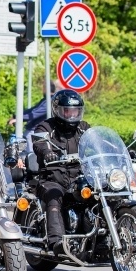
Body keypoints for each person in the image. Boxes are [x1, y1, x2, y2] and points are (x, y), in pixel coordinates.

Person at [31, 89, 91, 256]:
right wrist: (46, 152)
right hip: (52, 177)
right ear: (57, 110)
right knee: (54, 195)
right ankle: (57, 241)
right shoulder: (46, 126)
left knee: (99, 194)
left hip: (79, 177)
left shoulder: (83, 128)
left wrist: (115, 151)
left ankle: (101, 237)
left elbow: (96, 141)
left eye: (76, 111)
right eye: (68, 111)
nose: (72, 115)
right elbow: (40, 142)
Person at [8, 79, 56, 153]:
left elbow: (34, 114)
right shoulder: (45, 100)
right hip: (33, 130)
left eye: (42, 87)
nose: (41, 89)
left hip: (36, 131)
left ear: (45, 88)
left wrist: (19, 118)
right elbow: (32, 110)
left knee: (31, 155)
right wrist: (16, 116)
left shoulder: (49, 101)